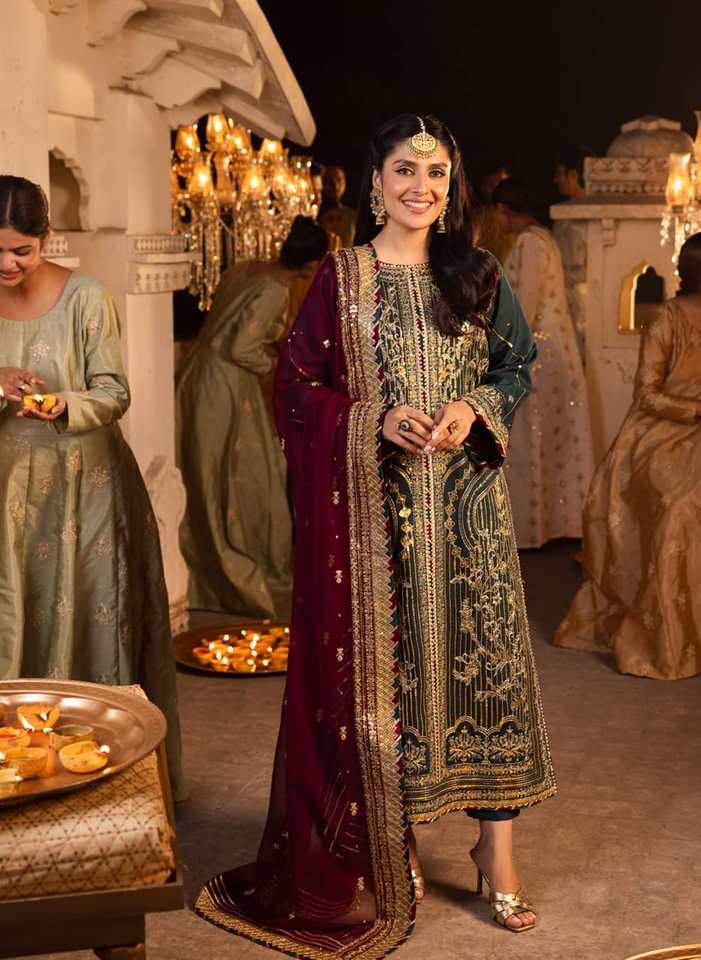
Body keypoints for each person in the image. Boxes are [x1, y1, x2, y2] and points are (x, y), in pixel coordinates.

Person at [195, 114, 556, 955]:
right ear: (376, 181)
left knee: (487, 675)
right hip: (376, 520)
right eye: (404, 170)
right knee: (395, 685)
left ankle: (497, 851)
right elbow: (295, 386)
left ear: (452, 187)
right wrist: (374, 419)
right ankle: (394, 846)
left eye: (437, 174)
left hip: (469, 513)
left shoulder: (478, 272)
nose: (420, 188)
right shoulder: (342, 277)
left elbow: (518, 365)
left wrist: (474, 406)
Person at [0, 175, 185, 798]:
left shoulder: (86, 298)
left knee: (86, 612)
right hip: (7, 493)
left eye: (22, 250)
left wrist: (64, 404)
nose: (8, 264)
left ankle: (96, 780)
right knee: (12, 611)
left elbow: (113, 391)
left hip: (85, 488)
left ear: (47, 238)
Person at [556, 230, 701, 679]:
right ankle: (671, 638)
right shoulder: (665, 320)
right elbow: (648, 395)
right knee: (680, 506)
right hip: (655, 437)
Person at [176, 216, 329, 618]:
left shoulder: (245, 268)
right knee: (246, 477)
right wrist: (280, 362)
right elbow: (240, 349)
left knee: (207, 473)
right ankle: (244, 576)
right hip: (225, 385)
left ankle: (206, 579)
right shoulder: (275, 288)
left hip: (196, 374)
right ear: (312, 264)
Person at [493, 178, 593, 548]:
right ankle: (549, 526)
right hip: (552, 351)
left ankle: (530, 530)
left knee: (528, 437)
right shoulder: (543, 237)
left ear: (504, 210)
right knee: (546, 438)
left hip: (536, 355)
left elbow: (525, 305)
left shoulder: (529, 242)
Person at [552, 146, 593, 360]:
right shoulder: (563, 214)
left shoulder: (592, 215)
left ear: (574, 175)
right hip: (566, 292)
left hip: (585, 295)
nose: (556, 179)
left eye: (560, 173)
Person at [473, 163, 515, 262]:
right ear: (484, 187)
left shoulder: (519, 216)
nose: (498, 190)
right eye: (491, 185)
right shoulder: (479, 217)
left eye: (503, 184)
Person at [320, 164, 357, 247]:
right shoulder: (314, 215)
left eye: (339, 179)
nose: (335, 185)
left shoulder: (353, 216)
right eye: (329, 180)